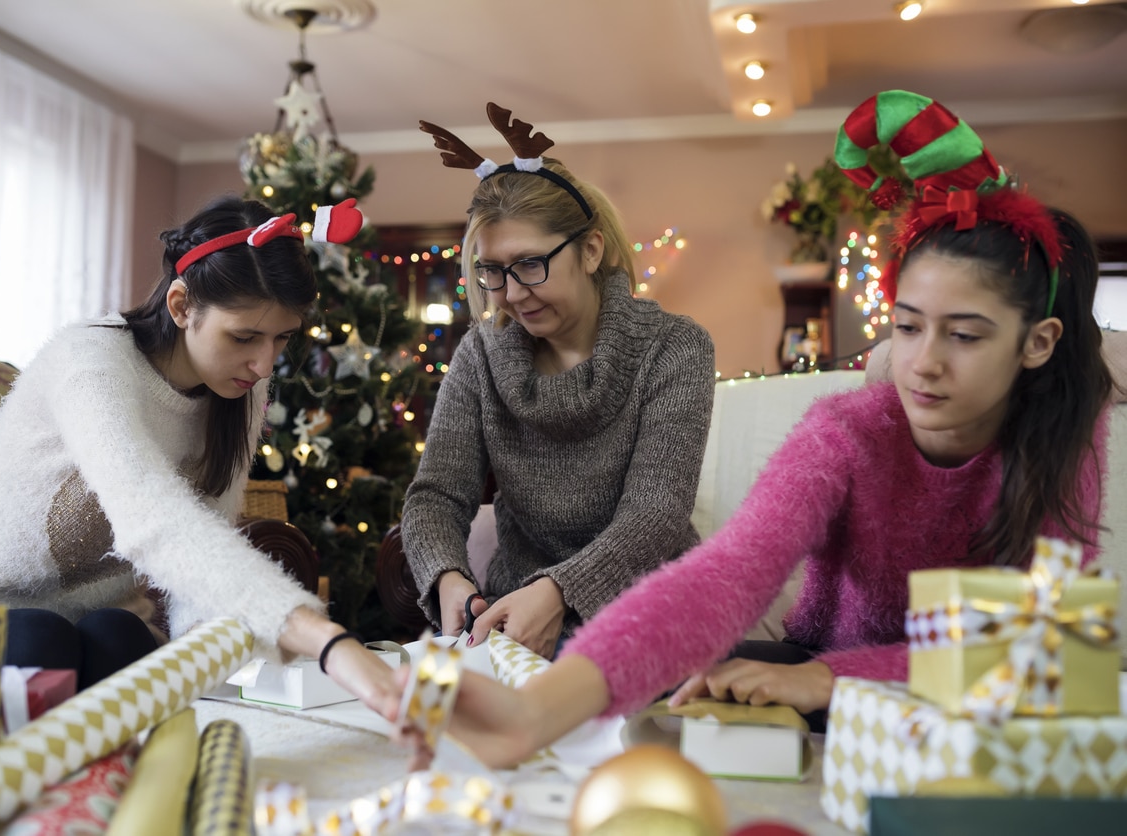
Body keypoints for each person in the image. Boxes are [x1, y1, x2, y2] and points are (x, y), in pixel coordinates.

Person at [434, 90, 1124, 766]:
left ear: (1037, 343)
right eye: (907, 327)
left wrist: (835, 680)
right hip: (817, 668)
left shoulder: (1064, 440)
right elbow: (728, 573)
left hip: (945, 693)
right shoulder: (846, 431)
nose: (924, 364)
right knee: (685, 707)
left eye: (966, 336)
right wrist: (551, 702)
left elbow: (1040, 646)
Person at [0, 195, 401, 716]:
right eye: (245, 337)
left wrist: (220, 677)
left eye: (281, 339)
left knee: (124, 638)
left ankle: (105, 786)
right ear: (182, 306)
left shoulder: (237, 393)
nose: (264, 364)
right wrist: (322, 638)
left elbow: (200, 567)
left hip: (87, 630)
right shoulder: (88, 360)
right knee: (40, 640)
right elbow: (153, 519)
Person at [402, 103, 715, 659]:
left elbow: (655, 515)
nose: (513, 293)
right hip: (510, 626)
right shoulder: (479, 356)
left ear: (590, 249)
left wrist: (561, 592)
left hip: (648, 622)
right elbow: (435, 497)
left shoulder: (674, 347)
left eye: (529, 264)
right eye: (493, 272)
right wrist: (449, 577)